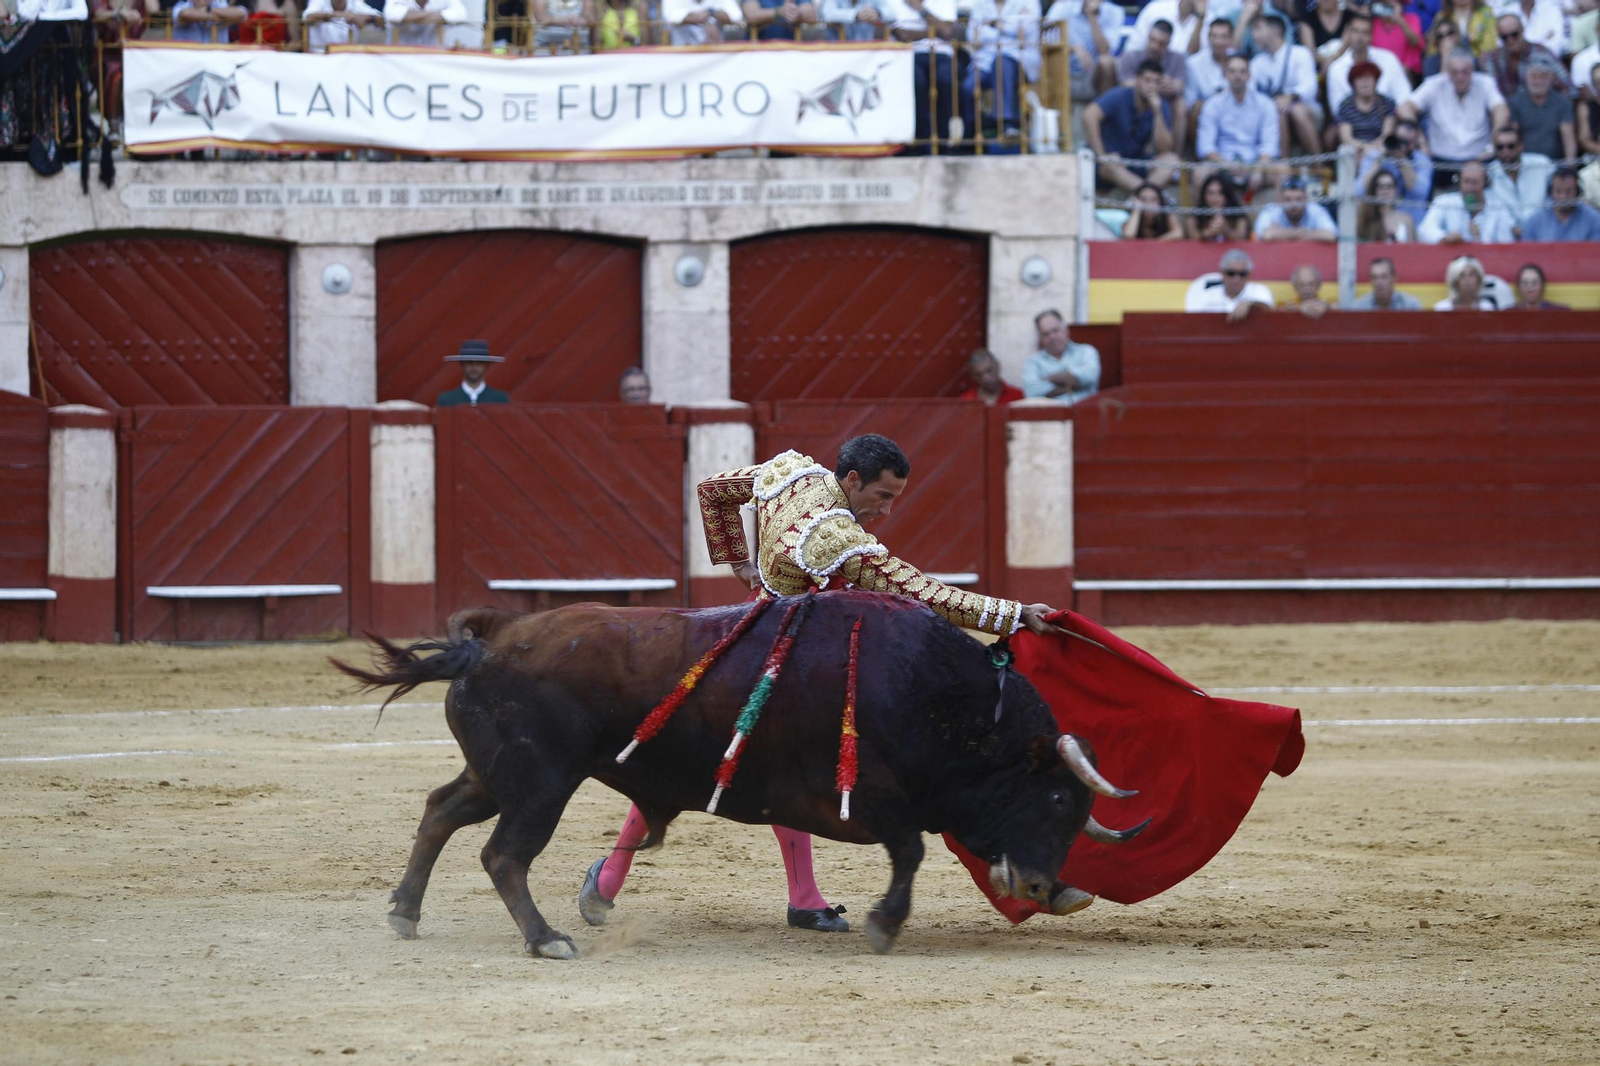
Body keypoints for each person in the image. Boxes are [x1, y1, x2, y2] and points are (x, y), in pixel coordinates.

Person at [576, 435, 1066, 934]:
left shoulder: (791, 472)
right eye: (883, 496)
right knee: (765, 764)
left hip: (751, 639)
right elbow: (919, 589)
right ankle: (629, 873)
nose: (888, 510)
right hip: (791, 660)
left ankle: (635, 878)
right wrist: (1013, 615)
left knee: (708, 761)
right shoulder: (835, 538)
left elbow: (713, 491)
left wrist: (740, 564)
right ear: (852, 480)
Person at [1397, 48, 1510, 184]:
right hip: (1441, 162)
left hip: (1479, 160)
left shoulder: (1485, 83)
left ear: (1472, 71)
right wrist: (1421, 140)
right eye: (1455, 72)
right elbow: (1405, 108)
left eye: (1465, 72)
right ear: (1448, 72)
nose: (1460, 77)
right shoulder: (1434, 84)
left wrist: (1494, 141)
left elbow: (1502, 110)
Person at [881, 0, 965, 154]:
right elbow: (902, 35)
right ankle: (920, 140)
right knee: (916, 83)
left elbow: (947, 32)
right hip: (908, 55)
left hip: (941, 54)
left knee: (946, 80)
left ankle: (942, 140)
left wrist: (921, 10)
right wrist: (934, 30)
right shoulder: (893, 3)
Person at [1083, 60, 1179, 192]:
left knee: (1171, 159)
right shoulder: (1120, 95)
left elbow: (1165, 148)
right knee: (1113, 165)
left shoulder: (1161, 106)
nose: (1151, 86)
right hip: (1109, 162)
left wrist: (1157, 114)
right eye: (1147, 80)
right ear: (1137, 80)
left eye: (1156, 82)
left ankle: (1143, 196)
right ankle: (1149, 195)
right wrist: (1101, 155)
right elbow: (1089, 115)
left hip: (1135, 161)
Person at [1195, 54, 1282, 195]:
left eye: (1242, 71)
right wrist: (1226, 165)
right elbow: (1205, 146)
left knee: (1283, 171)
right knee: (1201, 172)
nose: (1237, 76)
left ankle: (1274, 216)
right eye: (1233, 71)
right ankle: (1201, 217)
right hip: (1222, 163)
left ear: (1249, 75)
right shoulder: (1212, 104)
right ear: (1225, 74)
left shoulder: (1265, 104)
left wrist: (1258, 169)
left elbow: (1270, 144)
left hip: (1254, 163)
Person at [964, 0, 1041, 146]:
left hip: (1018, 59)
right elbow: (973, 37)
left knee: (1001, 64)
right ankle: (973, 134)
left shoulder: (1029, 2)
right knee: (968, 87)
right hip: (984, 61)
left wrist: (991, 25)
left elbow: (1025, 31)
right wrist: (1007, 28)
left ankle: (1008, 126)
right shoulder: (980, 5)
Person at [1249, 12, 1323, 158]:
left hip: (1306, 110)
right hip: (1273, 112)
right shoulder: (1256, 63)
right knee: (1278, 111)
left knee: (1296, 110)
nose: (1254, 35)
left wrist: (1290, 98)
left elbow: (1310, 87)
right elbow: (1251, 92)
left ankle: (1320, 165)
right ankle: (1284, 167)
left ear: (1274, 32)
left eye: (1258, 29)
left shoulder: (1300, 53)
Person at [1119, 18, 1189, 149]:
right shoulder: (1131, 56)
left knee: (1181, 104)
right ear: (1147, 37)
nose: (1155, 46)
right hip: (1136, 101)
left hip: (1164, 103)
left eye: (1161, 43)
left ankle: (1175, 157)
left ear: (1168, 43)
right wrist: (1154, 86)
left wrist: (1171, 86)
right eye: (1152, 40)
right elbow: (1125, 84)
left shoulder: (1177, 59)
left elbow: (1179, 85)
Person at [1325, 14, 1411, 117]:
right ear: (1348, 34)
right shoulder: (1336, 69)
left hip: (1390, 120)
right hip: (1352, 125)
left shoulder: (1388, 59)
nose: (1360, 37)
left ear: (1371, 36)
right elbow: (1337, 111)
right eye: (1355, 31)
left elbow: (1404, 96)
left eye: (1365, 33)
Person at [1419, 160, 1516, 241]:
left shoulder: (1499, 208)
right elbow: (1425, 229)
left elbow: (1506, 242)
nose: (1470, 188)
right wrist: (1444, 237)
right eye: (1466, 181)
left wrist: (1480, 238)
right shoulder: (1444, 202)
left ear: (1484, 184)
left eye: (1475, 182)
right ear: (1459, 182)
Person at [1046, 0, 1122, 103]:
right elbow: (1046, 43)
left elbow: (1105, 51)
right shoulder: (1061, 8)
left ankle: (1102, 111)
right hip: (1064, 71)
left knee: (1107, 62)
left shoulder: (1115, 12)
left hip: (1094, 76)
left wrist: (1092, 17)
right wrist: (1073, 49)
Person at [1360, 118, 1435, 223]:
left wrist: (1402, 161)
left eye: (1407, 142)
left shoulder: (1422, 160)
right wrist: (1380, 158)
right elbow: (1359, 190)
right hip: (1380, 223)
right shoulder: (1374, 157)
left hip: (1413, 222)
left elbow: (1421, 192)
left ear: (1415, 142)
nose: (1402, 145)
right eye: (1399, 140)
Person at [1507, 53, 1576, 163]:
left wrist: (1570, 165)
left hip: (1555, 163)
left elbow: (1568, 137)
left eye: (1543, 77)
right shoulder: (1515, 102)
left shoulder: (1563, 102)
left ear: (1552, 79)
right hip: (1526, 164)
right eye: (1534, 76)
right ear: (1526, 78)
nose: (1538, 81)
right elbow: (1513, 135)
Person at [1482, 12, 1566, 100]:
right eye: (1504, 37)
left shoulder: (1542, 52)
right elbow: (1491, 95)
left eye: (1514, 34)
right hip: (1508, 110)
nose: (1510, 40)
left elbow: (1566, 86)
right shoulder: (1493, 60)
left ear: (1522, 31)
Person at [1021, 309, 1101, 403]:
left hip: (1084, 414)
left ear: (1066, 330)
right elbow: (1032, 392)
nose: (1052, 337)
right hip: (1050, 415)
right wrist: (1074, 384)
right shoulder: (1032, 362)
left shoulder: (1086, 352)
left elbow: (1090, 377)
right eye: (1046, 334)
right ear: (1041, 338)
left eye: (1055, 330)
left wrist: (1050, 378)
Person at [1486, 124, 1554, 231]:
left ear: (1520, 146)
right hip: (1506, 233)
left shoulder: (1542, 165)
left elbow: (1555, 197)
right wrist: (1511, 227)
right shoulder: (1490, 173)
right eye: (1500, 147)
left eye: (1511, 146)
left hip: (1542, 229)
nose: (1505, 151)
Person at [1185, 249, 1276, 320]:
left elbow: (1267, 308)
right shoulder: (1208, 294)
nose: (1237, 279)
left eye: (1242, 274)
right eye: (1231, 273)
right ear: (1222, 273)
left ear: (1249, 275)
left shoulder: (1259, 290)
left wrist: (1249, 304)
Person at [1336, 60, 1398, 157]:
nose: (1365, 82)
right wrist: (1364, 147)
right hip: (1356, 149)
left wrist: (1373, 148)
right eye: (1360, 78)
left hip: (1380, 147)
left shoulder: (1387, 103)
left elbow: (1387, 134)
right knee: (1344, 150)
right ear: (1353, 83)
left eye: (1368, 77)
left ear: (1375, 81)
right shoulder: (1346, 106)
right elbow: (1346, 138)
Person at [1519, 167, 1600, 240]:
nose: (1563, 197)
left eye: (1568, 191)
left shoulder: (1593, 219)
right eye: (1558, 191)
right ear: (1550, 192)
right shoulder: (1534, 221)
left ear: (1578, 192)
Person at [1185, 17, 1236, 128]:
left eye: (1223, 37)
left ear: (1231, 39)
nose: (1218, 42)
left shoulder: (1240, 61)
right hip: (1206, 114)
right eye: (1214, 36)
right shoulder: (1194, 63)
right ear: (1208, 37)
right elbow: (1190, 100)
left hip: (1237, 112)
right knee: (1197, 108)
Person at [1255, 176, 1338, 242]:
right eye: (1288, 199)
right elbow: (1267, 235)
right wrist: (1304, 233)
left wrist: (1282, 233)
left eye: (1298, 199)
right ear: (1281, 200)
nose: (1293, 204)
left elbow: (1331, 235)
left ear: (1306, 199)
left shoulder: (1315, 209)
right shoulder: (1271, 210)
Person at [435, 340, 511, 406]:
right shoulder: (447, 400)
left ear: (486, 365)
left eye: (479, 363)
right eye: (469, 362)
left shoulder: (500, 399)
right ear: (462, 364)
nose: (474, 367)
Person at [1127, 0, 1220, 54]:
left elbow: (1194, 56)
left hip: (1185, 79)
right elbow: (1133, 48)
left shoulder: (1210, 19)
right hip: (1149, 70)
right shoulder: (1155, 9)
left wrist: (1201, 18)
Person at [1185, 172, 1253, 240]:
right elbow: (1192, 240)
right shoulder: (1194, 217)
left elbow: (1242, 240)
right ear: (1203, 195)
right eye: (1210, 193)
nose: (1215, 197)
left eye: (1220, 193)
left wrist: (1226, 230)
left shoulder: (1239, 216)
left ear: (1227, 195)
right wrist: (1208, 232)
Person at [1357, 166, 1417, 241]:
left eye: (1389, 186)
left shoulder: (1406, 220)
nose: (1385, 191)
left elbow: (1414, 249)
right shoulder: (1366, 220)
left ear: (1395, 191)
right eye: (1381, 187)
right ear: (1374, 191)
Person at [1370, 0, 1425, 78]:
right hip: (1379, 71)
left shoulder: (1412, 18)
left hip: (1406, 72)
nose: (1389, 8)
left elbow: (1415, 42)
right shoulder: (1374, 23)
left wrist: (1400, 20)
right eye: (1386, 4)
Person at [303, 0, 378, 52]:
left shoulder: (355, 2)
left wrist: (367, 18)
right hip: (320, 55)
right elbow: (307, 18)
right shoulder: (319, 1)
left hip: (347, 57)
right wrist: (335, 15)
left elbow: (381, 19)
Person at [958, 349, 1025, 404]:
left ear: (997, 366)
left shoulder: (1018, 397)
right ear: (974, 378)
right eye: (979, 375)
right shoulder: (966, 400)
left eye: (989, 371)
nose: (985, 378)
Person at [1298, 0, 1351, 69]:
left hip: (1344, 67)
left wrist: (1332, 61)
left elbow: (1346, 46)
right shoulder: (1307, 19)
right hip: (1316, 69)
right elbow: (1309, 52)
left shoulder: (1350, 18)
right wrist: (1327, 62)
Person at [1353, 256, 1424, 308]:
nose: (1379, 282)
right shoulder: (1359, 307)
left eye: (1384, 277)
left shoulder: (1411, 305)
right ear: (1370, 280)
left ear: (1394, 277)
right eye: (1374, 277)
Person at [383, 0, 465, 45]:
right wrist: (438, 16)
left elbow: (461, 14)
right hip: (399, 59)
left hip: (433, 58)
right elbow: (390, 13)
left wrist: (410, 16)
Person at [665, 0, 743, 43]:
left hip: (715, 54)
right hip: (683, 53)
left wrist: (711, 12)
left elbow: (736, 16)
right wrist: (705, 21)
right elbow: (670, 16)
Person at [170, 0, 246, 42]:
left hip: (217, 57)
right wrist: (216, 16)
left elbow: (242, 13)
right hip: (188, 57)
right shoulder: (182, 5)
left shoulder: (220, 4)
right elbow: (185, 14)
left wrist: (208, 10)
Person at [744, 0, 816, 40]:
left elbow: (811, 15)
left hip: (791, 49)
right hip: (758, 50)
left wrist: (795, 11)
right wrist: (780, 11)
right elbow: (751, 15)